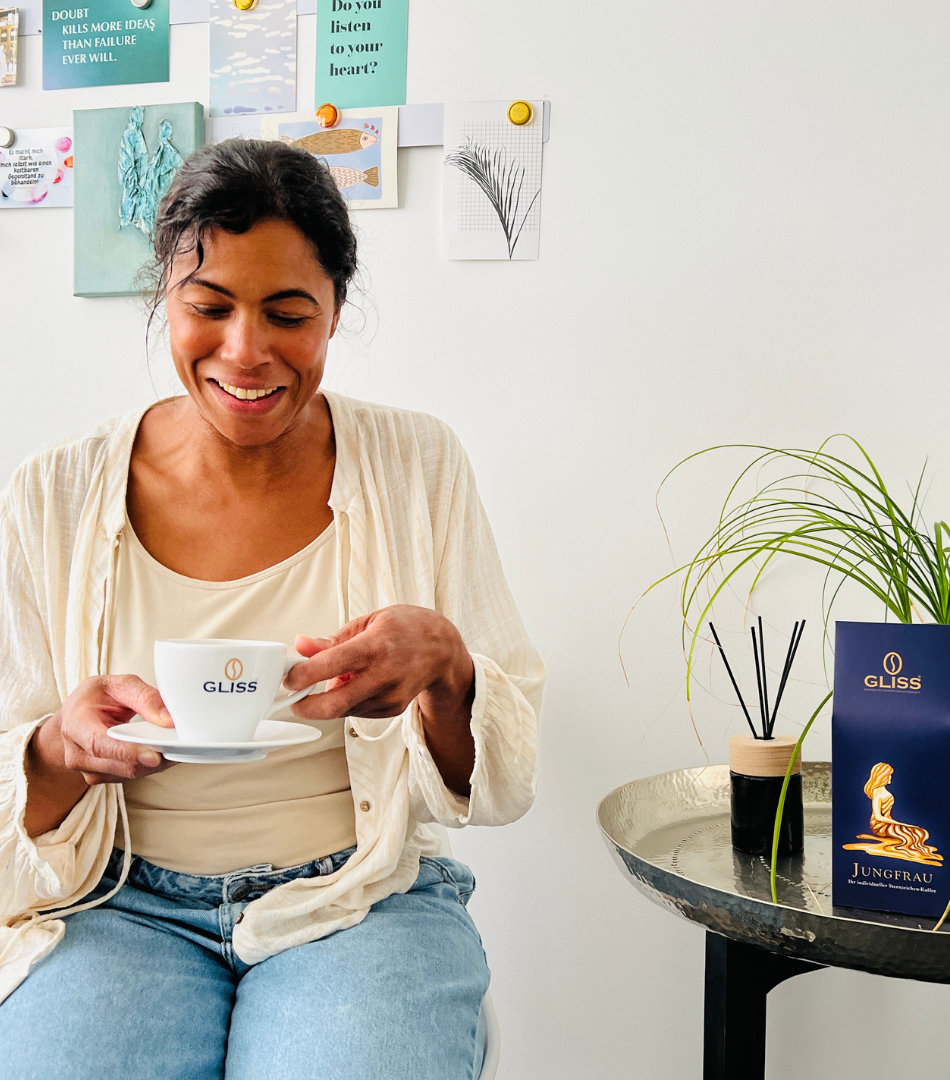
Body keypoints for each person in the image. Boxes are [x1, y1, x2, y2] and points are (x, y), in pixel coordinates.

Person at [0, 139, 543, 1079]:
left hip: (357, 897)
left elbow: (501, 782)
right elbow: (23, 782)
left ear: (335, 310)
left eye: (288, 314)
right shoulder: (54, 492)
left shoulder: (418, 464)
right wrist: (58, 750)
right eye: (208, 308)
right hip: (114, 902)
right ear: (163, 303)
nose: (244, 352)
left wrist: (448, 670)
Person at [842, 762, 942, 866]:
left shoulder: (883, 791)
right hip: (879, 825)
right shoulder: (877, 792)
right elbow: (878, 817)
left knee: (920, 832)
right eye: (888, 775)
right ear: (882, 776)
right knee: (909, 834)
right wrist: (901, 824)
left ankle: (922, 850)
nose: (890, 777)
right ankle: (913, 852)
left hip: (889, 823)